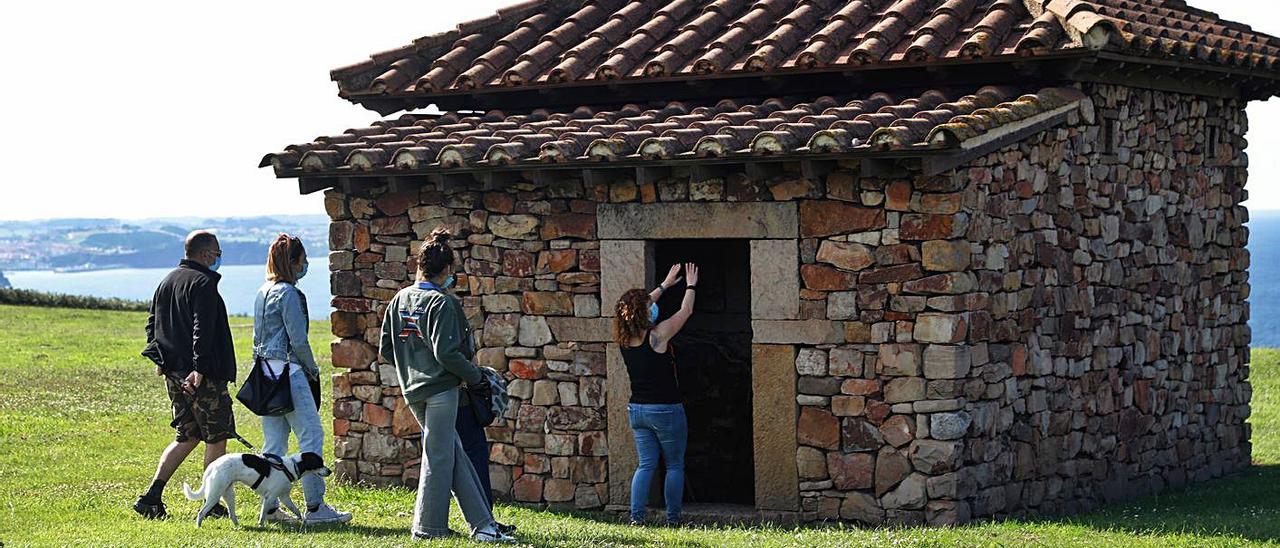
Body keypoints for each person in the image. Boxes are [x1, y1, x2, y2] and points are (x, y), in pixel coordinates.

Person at [379, 227, 515, 542]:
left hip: (413, 390)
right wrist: (477, 377)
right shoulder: (443, 302)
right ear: (448, 270)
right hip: (441, 390)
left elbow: (387, 349)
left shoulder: (400, 299)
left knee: (451, 453)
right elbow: (447, 353)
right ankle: (427, 527)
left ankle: (483, 525)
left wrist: (410, 366)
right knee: (440, 457)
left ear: (418, 264)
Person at [135, 230, 238, 519]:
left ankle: (152, 496)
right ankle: (212, 501)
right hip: (200, 376)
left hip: (174, 375)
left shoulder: (167, 281)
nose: (218, 259)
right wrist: (200, 369)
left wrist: (162, 361)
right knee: (217, 436)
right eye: (217, 254)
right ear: (206, 254)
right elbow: (201, 330)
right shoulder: (204, 283)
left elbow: (152, 325)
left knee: (187, 436)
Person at [252, 234, 352, 525]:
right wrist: (312, 369)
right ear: (293, 262)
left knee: (274, 443)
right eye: (303, 259)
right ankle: (315, 506)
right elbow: (298, 340)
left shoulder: (262, 291)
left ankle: (269, 507)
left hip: (266, 372)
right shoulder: (289, 294)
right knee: (311, 435)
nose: (306, 264)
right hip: (289, 372)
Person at [615, 262, 699, 526]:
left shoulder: (625, 339)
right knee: (674, 465)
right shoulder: (658, 336)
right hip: (666, 409)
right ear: (644, 312)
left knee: (646, 465)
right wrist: (691, 284)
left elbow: (637, 307)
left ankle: (636, 519)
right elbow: (686, 310)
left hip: (637, 410)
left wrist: (664, 284)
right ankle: (673, 520)